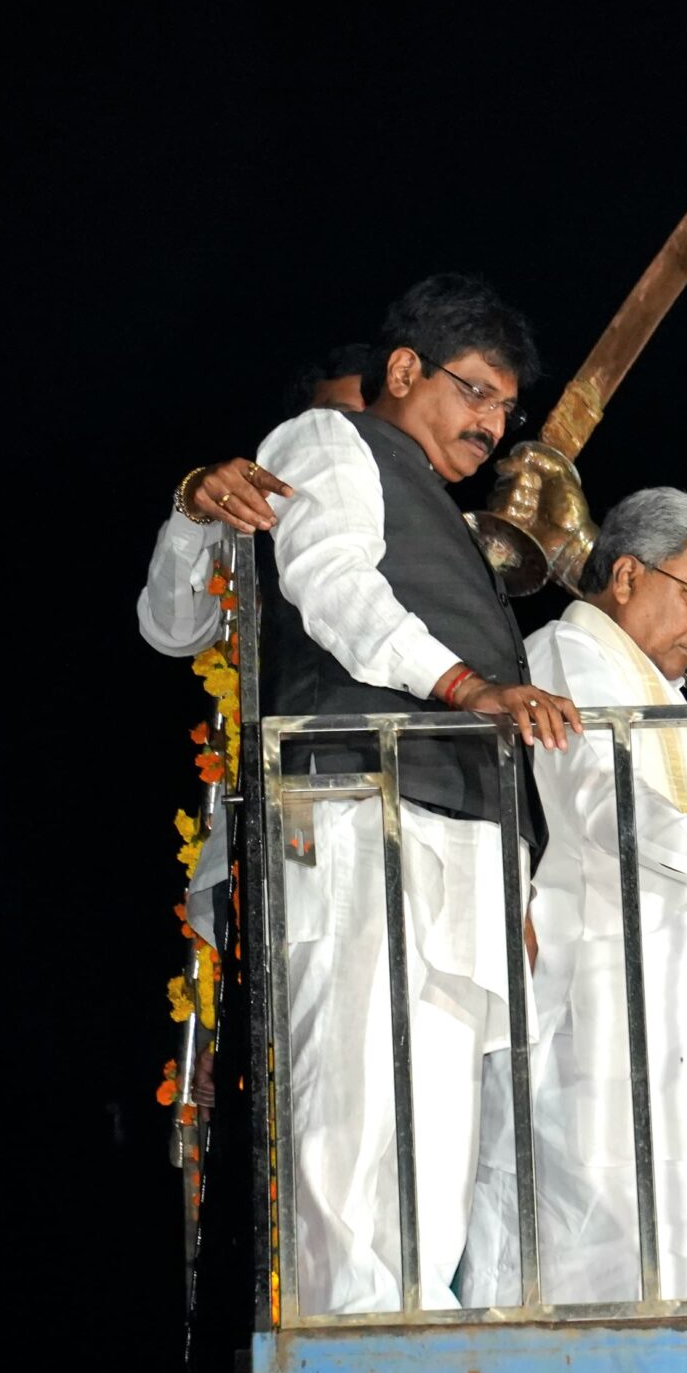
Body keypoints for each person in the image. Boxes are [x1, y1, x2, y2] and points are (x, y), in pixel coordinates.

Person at [256, 273, 582, 1317]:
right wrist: (461, 684)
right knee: (359, 1069)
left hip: (455, 826)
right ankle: (353, 1321)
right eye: (475, 393)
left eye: (504, 411)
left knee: (437, 1090)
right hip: (364, 802)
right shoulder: (328, 444)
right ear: (404, 371)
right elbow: (330, 581)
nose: (492, 427)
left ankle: (415, 1315)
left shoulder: (436, 508)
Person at [459, 488, 687, 1308]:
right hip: (612, 1006)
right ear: (625, 574)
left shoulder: (675, 710)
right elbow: (600, 798)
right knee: (605, 1235)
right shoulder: (564, 654)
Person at [135, 342, 374, 659]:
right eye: (338, 421)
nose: (356, 438)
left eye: (375, 424)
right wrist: (191, 511)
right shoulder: (253, 512)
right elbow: (176, 634)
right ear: (297, 431)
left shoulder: (437, 521)